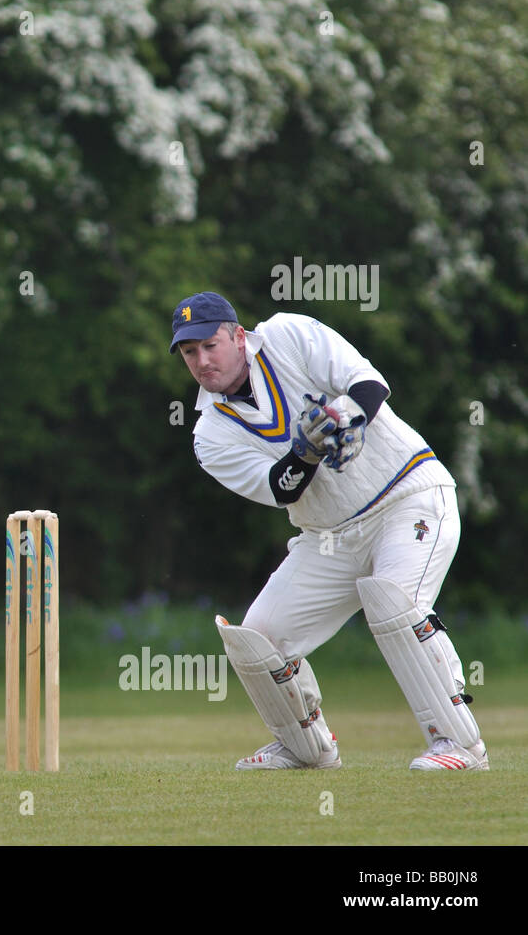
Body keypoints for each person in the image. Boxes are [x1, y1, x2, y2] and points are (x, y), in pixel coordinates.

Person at [170, 291, 486, 771]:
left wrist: (347, 419)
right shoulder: (210, 433)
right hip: (329, 536)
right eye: (190, 352)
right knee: (258, 638)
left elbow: (368, 382)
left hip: (409, 495)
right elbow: (282, 489)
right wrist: (309, 450)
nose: (202, 360)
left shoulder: (286, 335)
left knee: (394, 603)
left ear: (238, 336)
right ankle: (308, 750)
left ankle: (460, 745)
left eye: (210, 345)